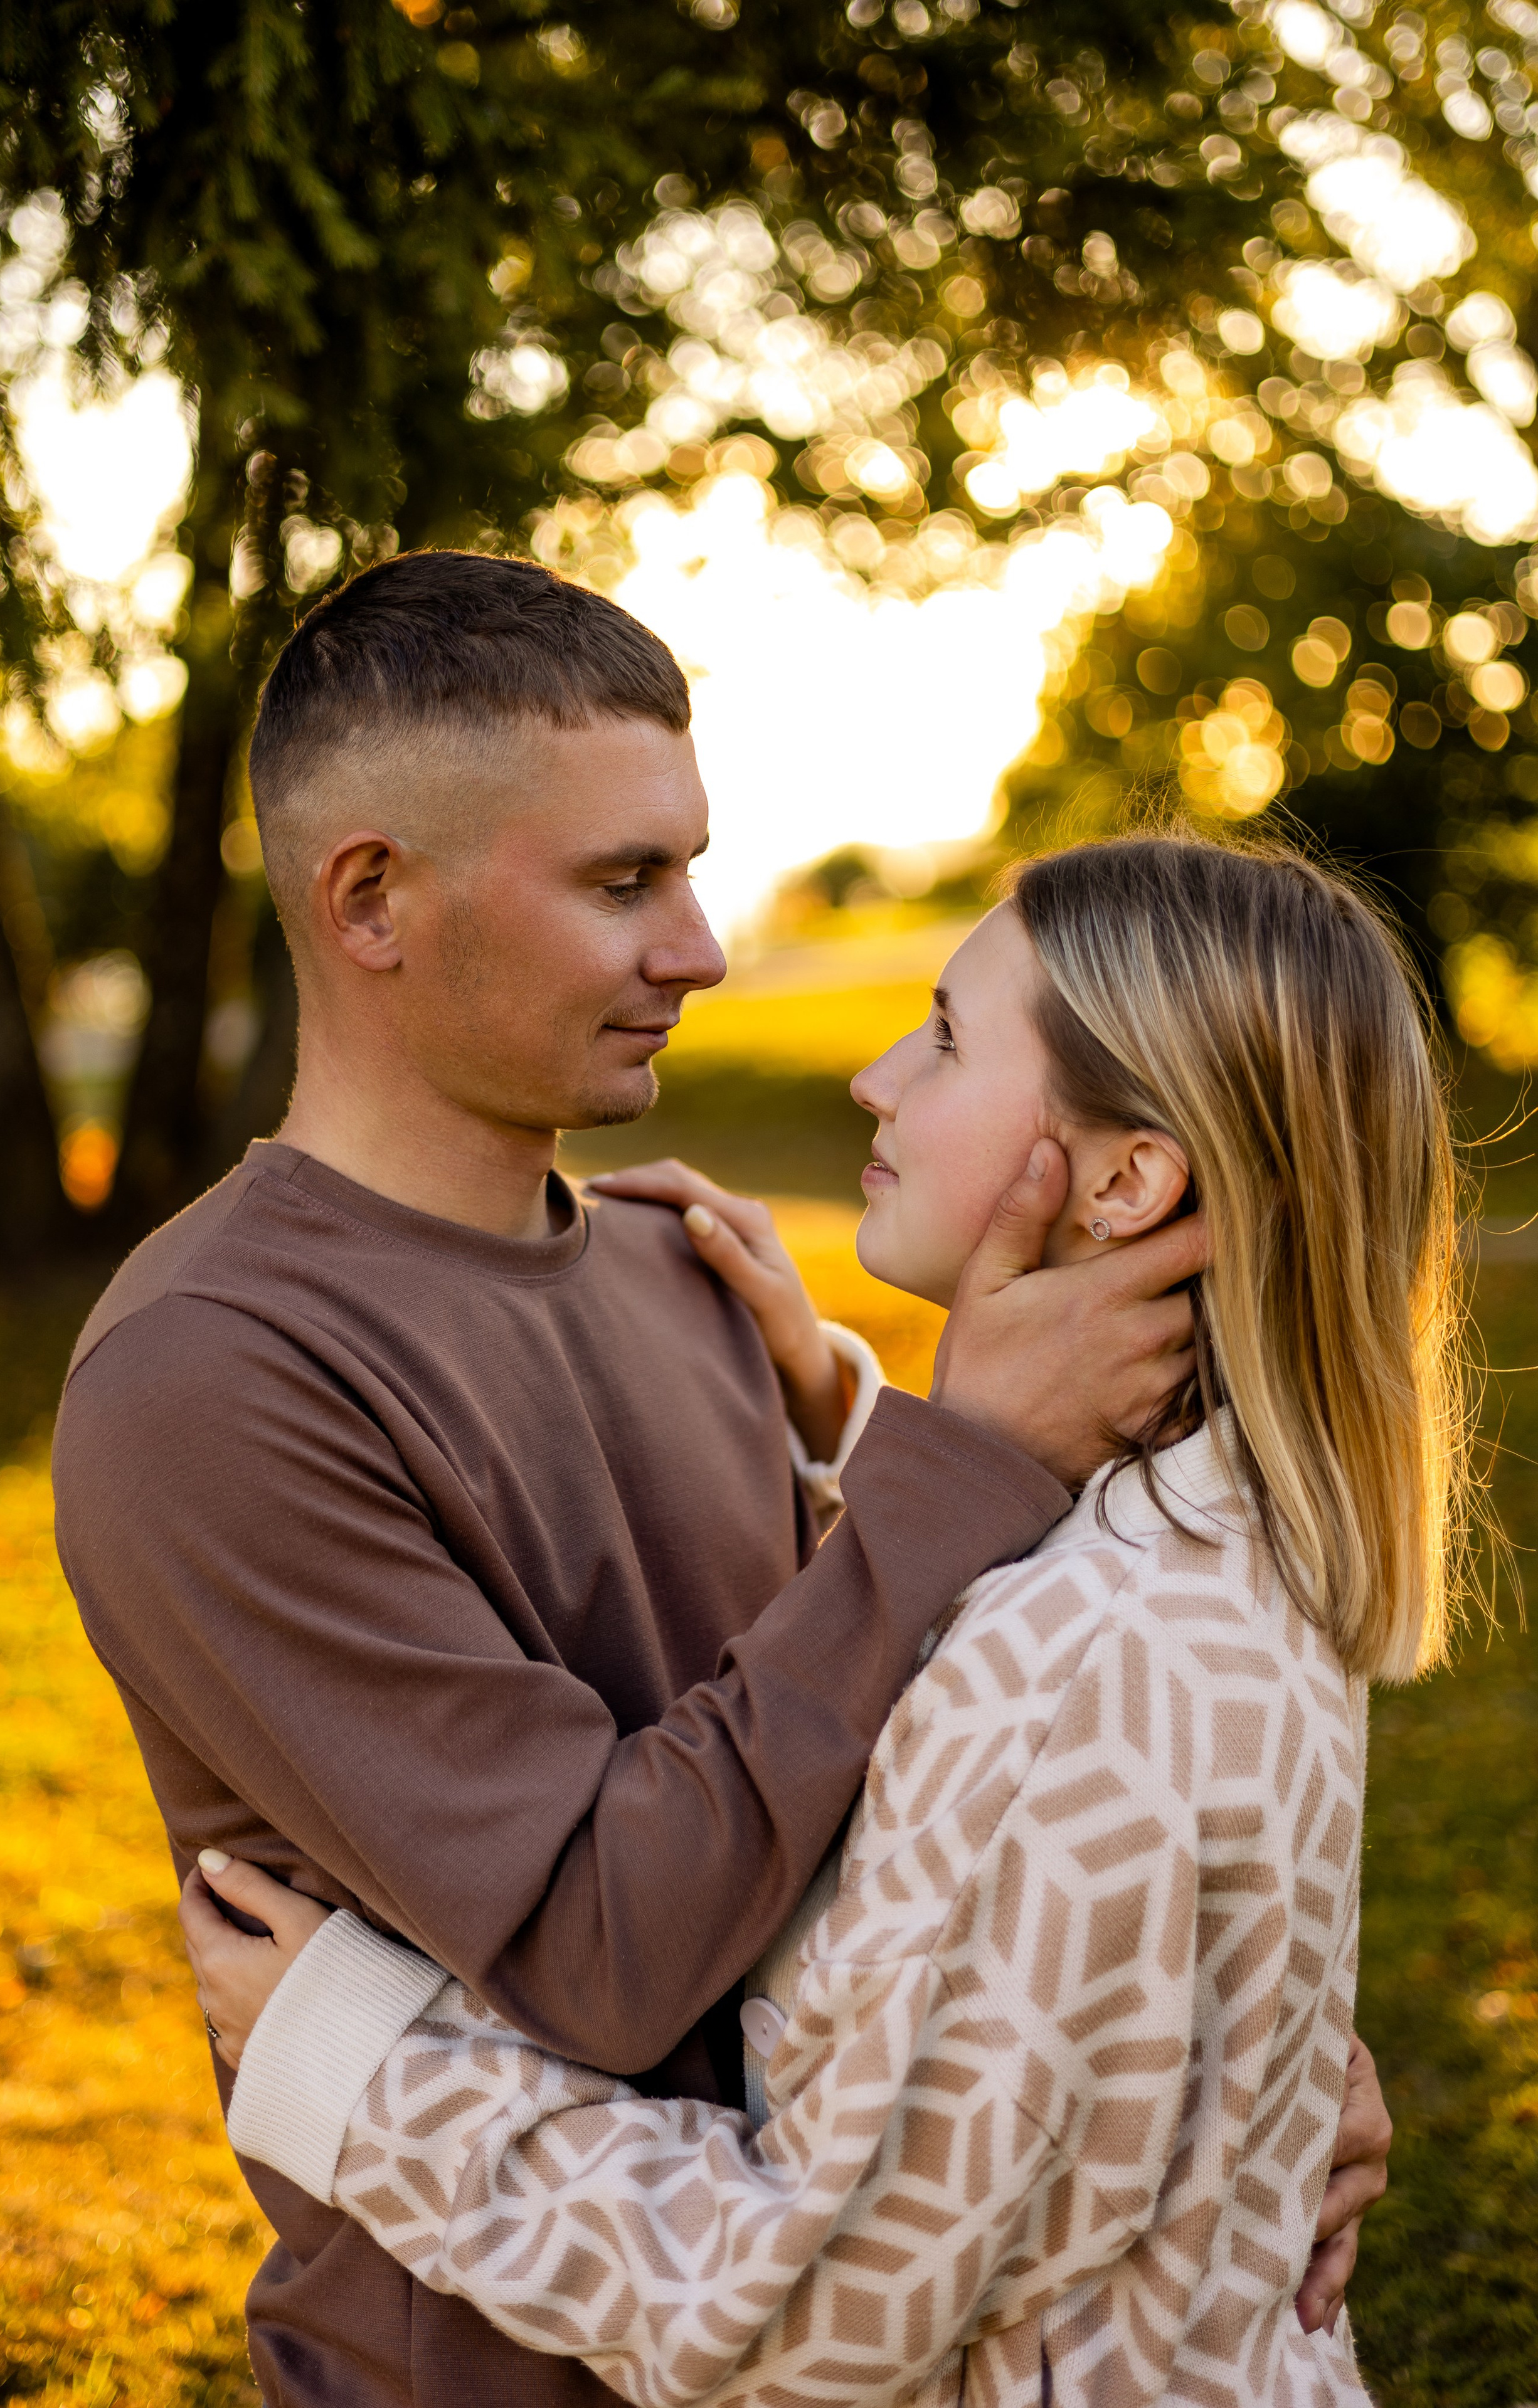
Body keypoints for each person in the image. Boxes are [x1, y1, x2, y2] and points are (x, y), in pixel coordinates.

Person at [51, 552, 1226, 2408]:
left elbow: (908, 1799)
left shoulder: (688, 1274)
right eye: (624, 884)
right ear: (372, 899)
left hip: (843, 2329)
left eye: (688, 865)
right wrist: (966, 1461)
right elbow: (611, 1953)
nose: (700, 948)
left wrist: (1240, 2047)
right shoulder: (211, 1380)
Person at [181, 833, 1444, 2407]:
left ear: (1126, 1181)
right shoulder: (1227, 1542)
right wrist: (863, 1413)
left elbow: (809, 2320)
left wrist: (361, 2069)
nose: (870, 1076)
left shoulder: (1077, 1688)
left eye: (944, 1034)